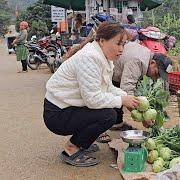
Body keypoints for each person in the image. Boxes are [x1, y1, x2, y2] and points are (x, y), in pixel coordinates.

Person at [43, 22, 140, 167]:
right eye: (118, 44)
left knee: (111, 107)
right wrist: (121, 100)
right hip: (57, 114)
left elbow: (107, 87)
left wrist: (128, 98)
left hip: (69, 107)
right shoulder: (90, 58)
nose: (121, 49)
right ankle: (71, 148)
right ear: (102, 41)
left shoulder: (103, 57)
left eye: (123, 44)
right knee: (109, 115)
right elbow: (93, 99)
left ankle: (82, 142)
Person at [96, 40, 173, 142]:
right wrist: (143, 116)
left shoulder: (146, 56)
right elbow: (127, 90)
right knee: (102, 96)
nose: (156, 77)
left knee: (118, 89)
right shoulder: (137, 61)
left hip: (115, 70)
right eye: (157, 73)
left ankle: (117, 123)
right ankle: (98, 129)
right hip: (100, 69)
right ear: (153, 63)